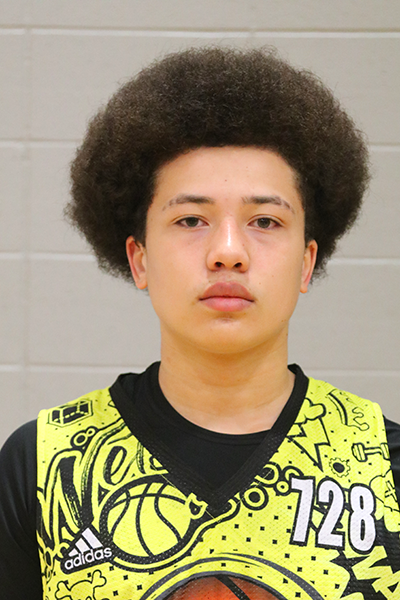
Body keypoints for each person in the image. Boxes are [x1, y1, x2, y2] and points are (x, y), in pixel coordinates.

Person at [1, 46, 399, 600]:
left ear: (307, 263)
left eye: (265, 221)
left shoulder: (384, 465)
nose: (228, 252)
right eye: (191, 220)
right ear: (140, 259)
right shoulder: (44, 465)